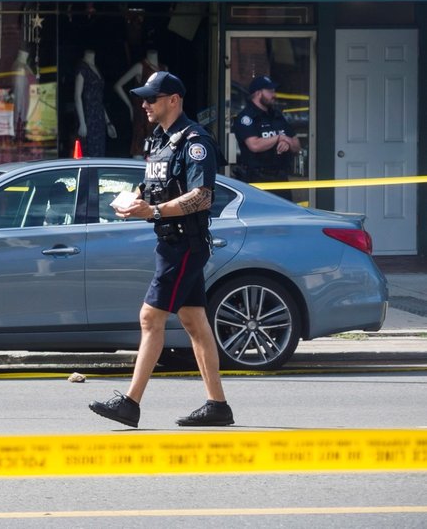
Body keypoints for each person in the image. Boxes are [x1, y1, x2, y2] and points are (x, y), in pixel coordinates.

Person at [88, 70, 234, 428]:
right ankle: (217, 405)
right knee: (194, 321)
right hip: (169, 240)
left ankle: (130, 403)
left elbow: (202, 197)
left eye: (151, 98)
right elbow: (153, 183)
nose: (144, 104)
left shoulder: (194, 141)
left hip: (185, 242)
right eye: (143, 98)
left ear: (173, 100)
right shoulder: (159, 139)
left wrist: (152, 211)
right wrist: (132, 200)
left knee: (150, 317)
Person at [233, 75, 301, 201]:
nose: (274, 94)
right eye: (270, 91)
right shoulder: (247, 117)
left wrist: (287, 142)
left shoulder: (277, 115)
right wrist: (279, 138)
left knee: (285, 216)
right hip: (257, 178)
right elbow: (254, 145)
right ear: (258, 93)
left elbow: (297, 145)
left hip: (281, 178)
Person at [114, 48, 166, 158]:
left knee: (157, 145)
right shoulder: (140, 67)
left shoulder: (164, 69)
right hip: (142, 114)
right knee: (139, 146)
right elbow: (118, 85)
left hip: (159, 114)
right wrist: (130, 106)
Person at [73, 49, 116, 157]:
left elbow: (99, 99)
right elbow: (77, 96)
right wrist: (82, 122)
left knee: (99, 152)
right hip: (88, 116)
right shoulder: (82, 68)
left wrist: (108, 122)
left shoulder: (96, 67)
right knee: (89, 152)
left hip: (99, 117)